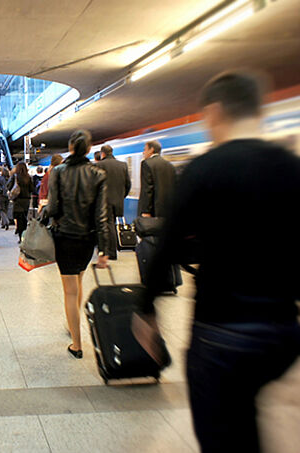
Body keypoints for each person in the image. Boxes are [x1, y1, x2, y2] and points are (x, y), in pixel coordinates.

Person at [135, 71, 300, 453]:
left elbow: (167, 245)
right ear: (257, 110)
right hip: (281, 332)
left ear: (215, 111)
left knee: (222, 437)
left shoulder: (204, 169)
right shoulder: (290, 166)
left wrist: (146, 308)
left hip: (221, 330)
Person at [42, 130, 110, 359]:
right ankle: (73, 323)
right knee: (79, 282)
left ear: (71, 147)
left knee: (70, 291)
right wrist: (104, 249)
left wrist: (44, 212)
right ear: (89, 149)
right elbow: (101, 216)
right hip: (87, 239)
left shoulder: (58, 171)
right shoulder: (98, 174)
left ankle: (77, 344)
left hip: (65, 237)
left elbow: (53, 208)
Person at [95, 145, 131, 259]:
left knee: (106, 226)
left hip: (104, 201)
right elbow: (128, 184)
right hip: (117, 201)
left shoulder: (99, 165)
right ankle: (111, 251)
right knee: (112, 224)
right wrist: (121, 196)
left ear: (102, 153)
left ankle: (108, 252)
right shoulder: (123, 165)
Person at [138, 140, 175, 218]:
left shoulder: (146, 163)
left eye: (145, 149)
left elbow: (147, 189)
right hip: (167, 210)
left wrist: (146, 211)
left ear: (151, 150)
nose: (143, 152)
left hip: (153, 211)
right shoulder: (170, 165)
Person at [7, 162, 34, 243]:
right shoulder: (28, 177)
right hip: (26, 201)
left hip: (17, 200)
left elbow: (8, 186)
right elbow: (32, 189)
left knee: (19, 220)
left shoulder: (15, 176)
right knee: (25, 219)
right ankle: (25, 236)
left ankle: (20, 237)